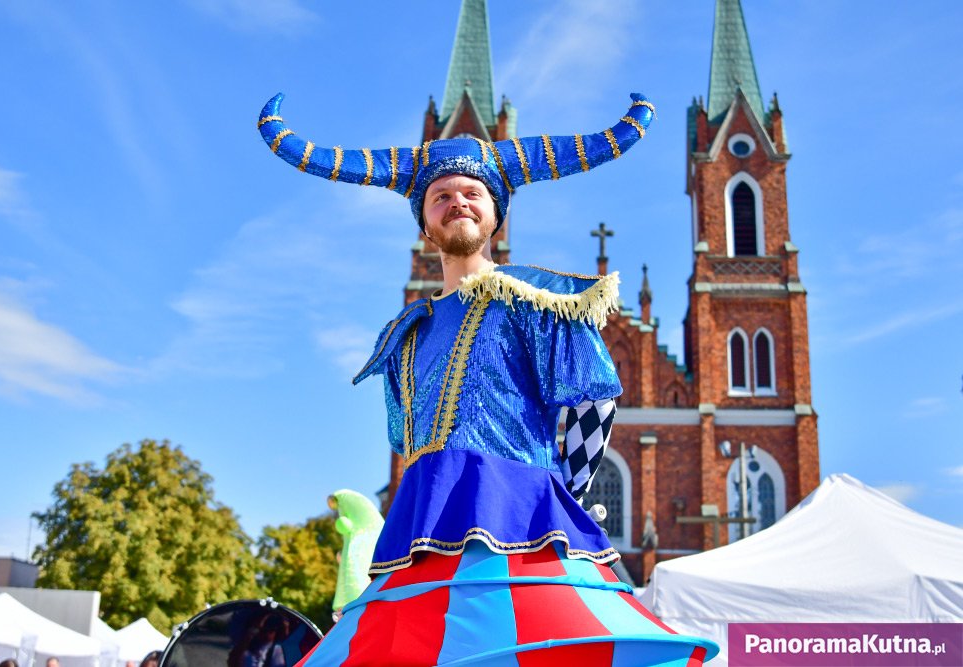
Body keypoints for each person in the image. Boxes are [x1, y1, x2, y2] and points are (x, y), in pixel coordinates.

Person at [258, 89, 717, 665]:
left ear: (496, 214)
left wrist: (558, 499)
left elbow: (594, 405)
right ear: (425, 223)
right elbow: (406, 446)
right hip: (417, 540)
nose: (458, 201)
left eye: (473, 193)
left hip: (522, 533)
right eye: (441, 195)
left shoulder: (538, 301)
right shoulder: (406, 335)